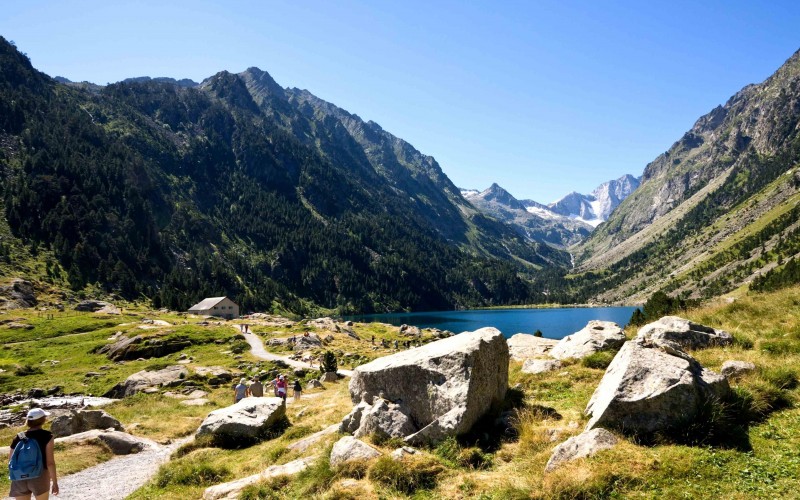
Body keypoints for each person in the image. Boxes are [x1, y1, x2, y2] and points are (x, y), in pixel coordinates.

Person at [8, 408, 59, 499]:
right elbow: (50, 463)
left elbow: (11, 460)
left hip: (19, 477)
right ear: (43, 420)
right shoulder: (47, 436)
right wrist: (54, 482)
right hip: (39, 476)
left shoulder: (19, 437)